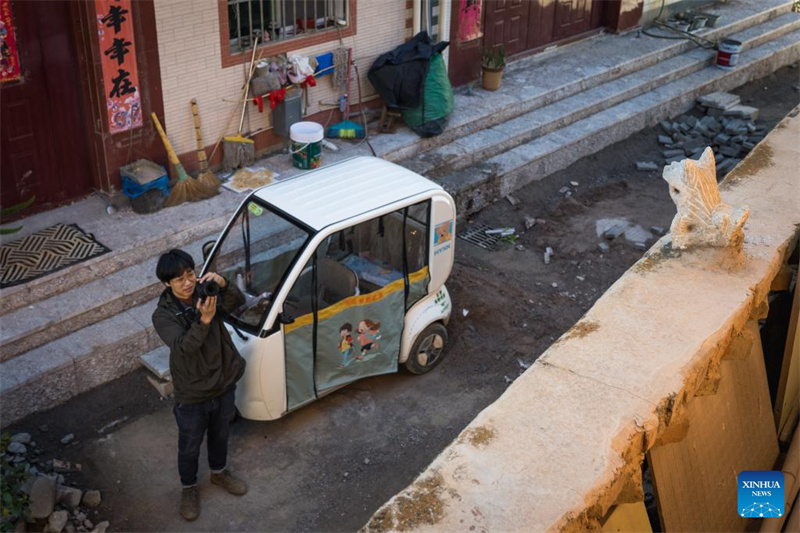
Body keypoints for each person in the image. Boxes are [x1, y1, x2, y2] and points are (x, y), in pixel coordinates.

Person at [152, 249, 247, 521]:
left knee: (220, 434)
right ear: (167, 283)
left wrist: (224, 284)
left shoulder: (205, 291)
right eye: (179, 279)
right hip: (192, 391)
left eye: (190, 274)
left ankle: (219, 473)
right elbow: (184, 347)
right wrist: (204, 319)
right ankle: (189, 488)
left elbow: (238, 302)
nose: (187, 283)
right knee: (190, 445)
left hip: (223, 380)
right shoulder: (163, 315)